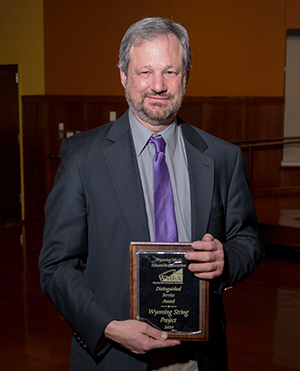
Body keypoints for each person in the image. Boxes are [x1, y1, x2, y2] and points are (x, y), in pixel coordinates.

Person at [39, 17, 264, 371]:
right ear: (124, 76)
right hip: (114, 355)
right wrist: (109, 327)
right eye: (145, 71)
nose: (158, 85)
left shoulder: (222, 157)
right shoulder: (83, 158)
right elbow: (55, 267)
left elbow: (248, 241)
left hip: (197, 358)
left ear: (185, 77)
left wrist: (226, 260)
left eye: (170, 72)